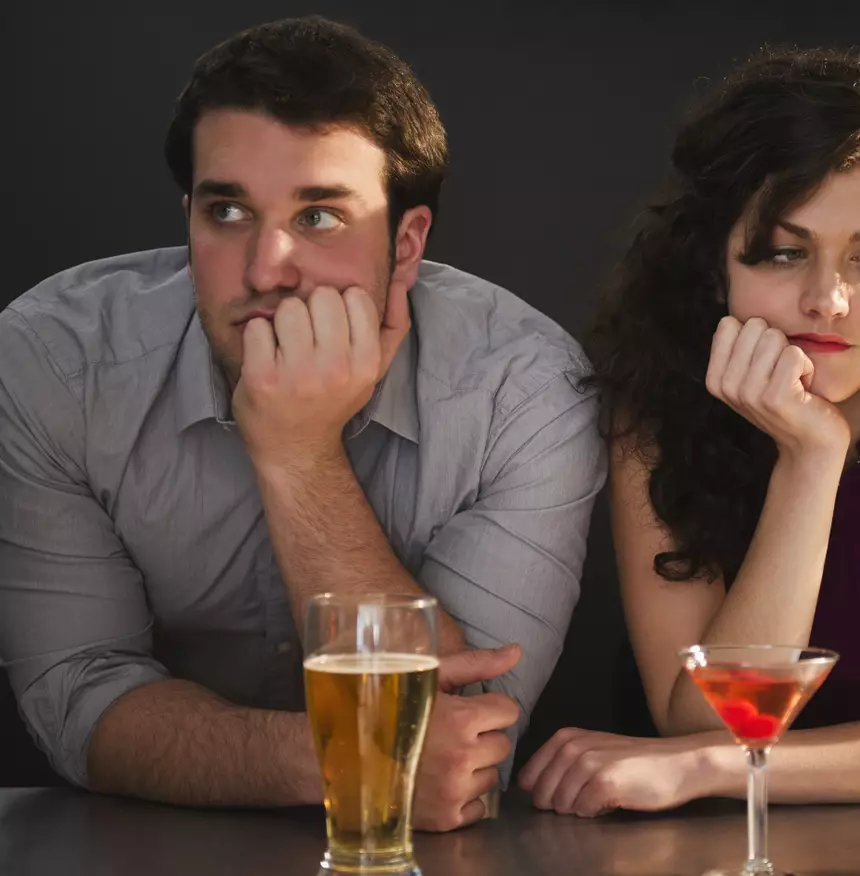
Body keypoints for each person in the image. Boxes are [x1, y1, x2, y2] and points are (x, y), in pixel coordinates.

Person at [0, 16, 605, 832]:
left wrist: (300, 455)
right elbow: (78, 693)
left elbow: (469, 735)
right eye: (227, 212)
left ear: (406, 242)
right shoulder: (53, 363)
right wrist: (344, 760)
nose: (264, 269)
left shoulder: (523, 390)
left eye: (319, 216)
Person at [518, 46, 860, 815]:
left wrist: (708, 768)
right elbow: (700, 716)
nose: (830, 301)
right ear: (717, 264)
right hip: (712, 851)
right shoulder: (657, 415)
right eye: (785, 252)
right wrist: (811, 462)